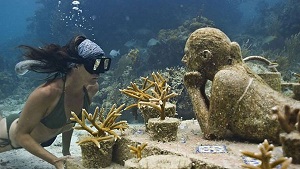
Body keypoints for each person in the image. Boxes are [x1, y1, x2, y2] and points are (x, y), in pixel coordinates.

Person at [0, 35, 111, 169]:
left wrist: (66, 152)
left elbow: (70, 122)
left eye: (103, 64)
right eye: (93, 65)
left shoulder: (91, 89)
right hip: (8, 137)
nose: (98, 72)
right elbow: (20, 135)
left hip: (39, 134)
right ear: (75, 65)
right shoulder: (46, 93)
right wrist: (55, 160)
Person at [182, 27, 299, 143]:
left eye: (187, 54)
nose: (184, 60)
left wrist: (194, 90)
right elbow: (216, 118)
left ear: (205, 56)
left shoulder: (225, 78)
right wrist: (200, 88)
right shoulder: (238, 70)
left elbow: (212, 133)